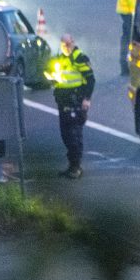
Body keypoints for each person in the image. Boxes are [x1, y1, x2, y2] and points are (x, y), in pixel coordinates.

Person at [45, 33, 95, 179]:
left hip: (76, 101)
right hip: (63, 101)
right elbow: (54, 75)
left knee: (74, 134)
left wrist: (86, 99)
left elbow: (91, 80)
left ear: (73, 42)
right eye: (64, 44)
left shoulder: (80, 58)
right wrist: (51, 76)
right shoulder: (59, 59)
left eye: (69, 44)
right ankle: (72, 165)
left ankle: (76, 166)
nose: (67, 47)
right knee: (65, 134)